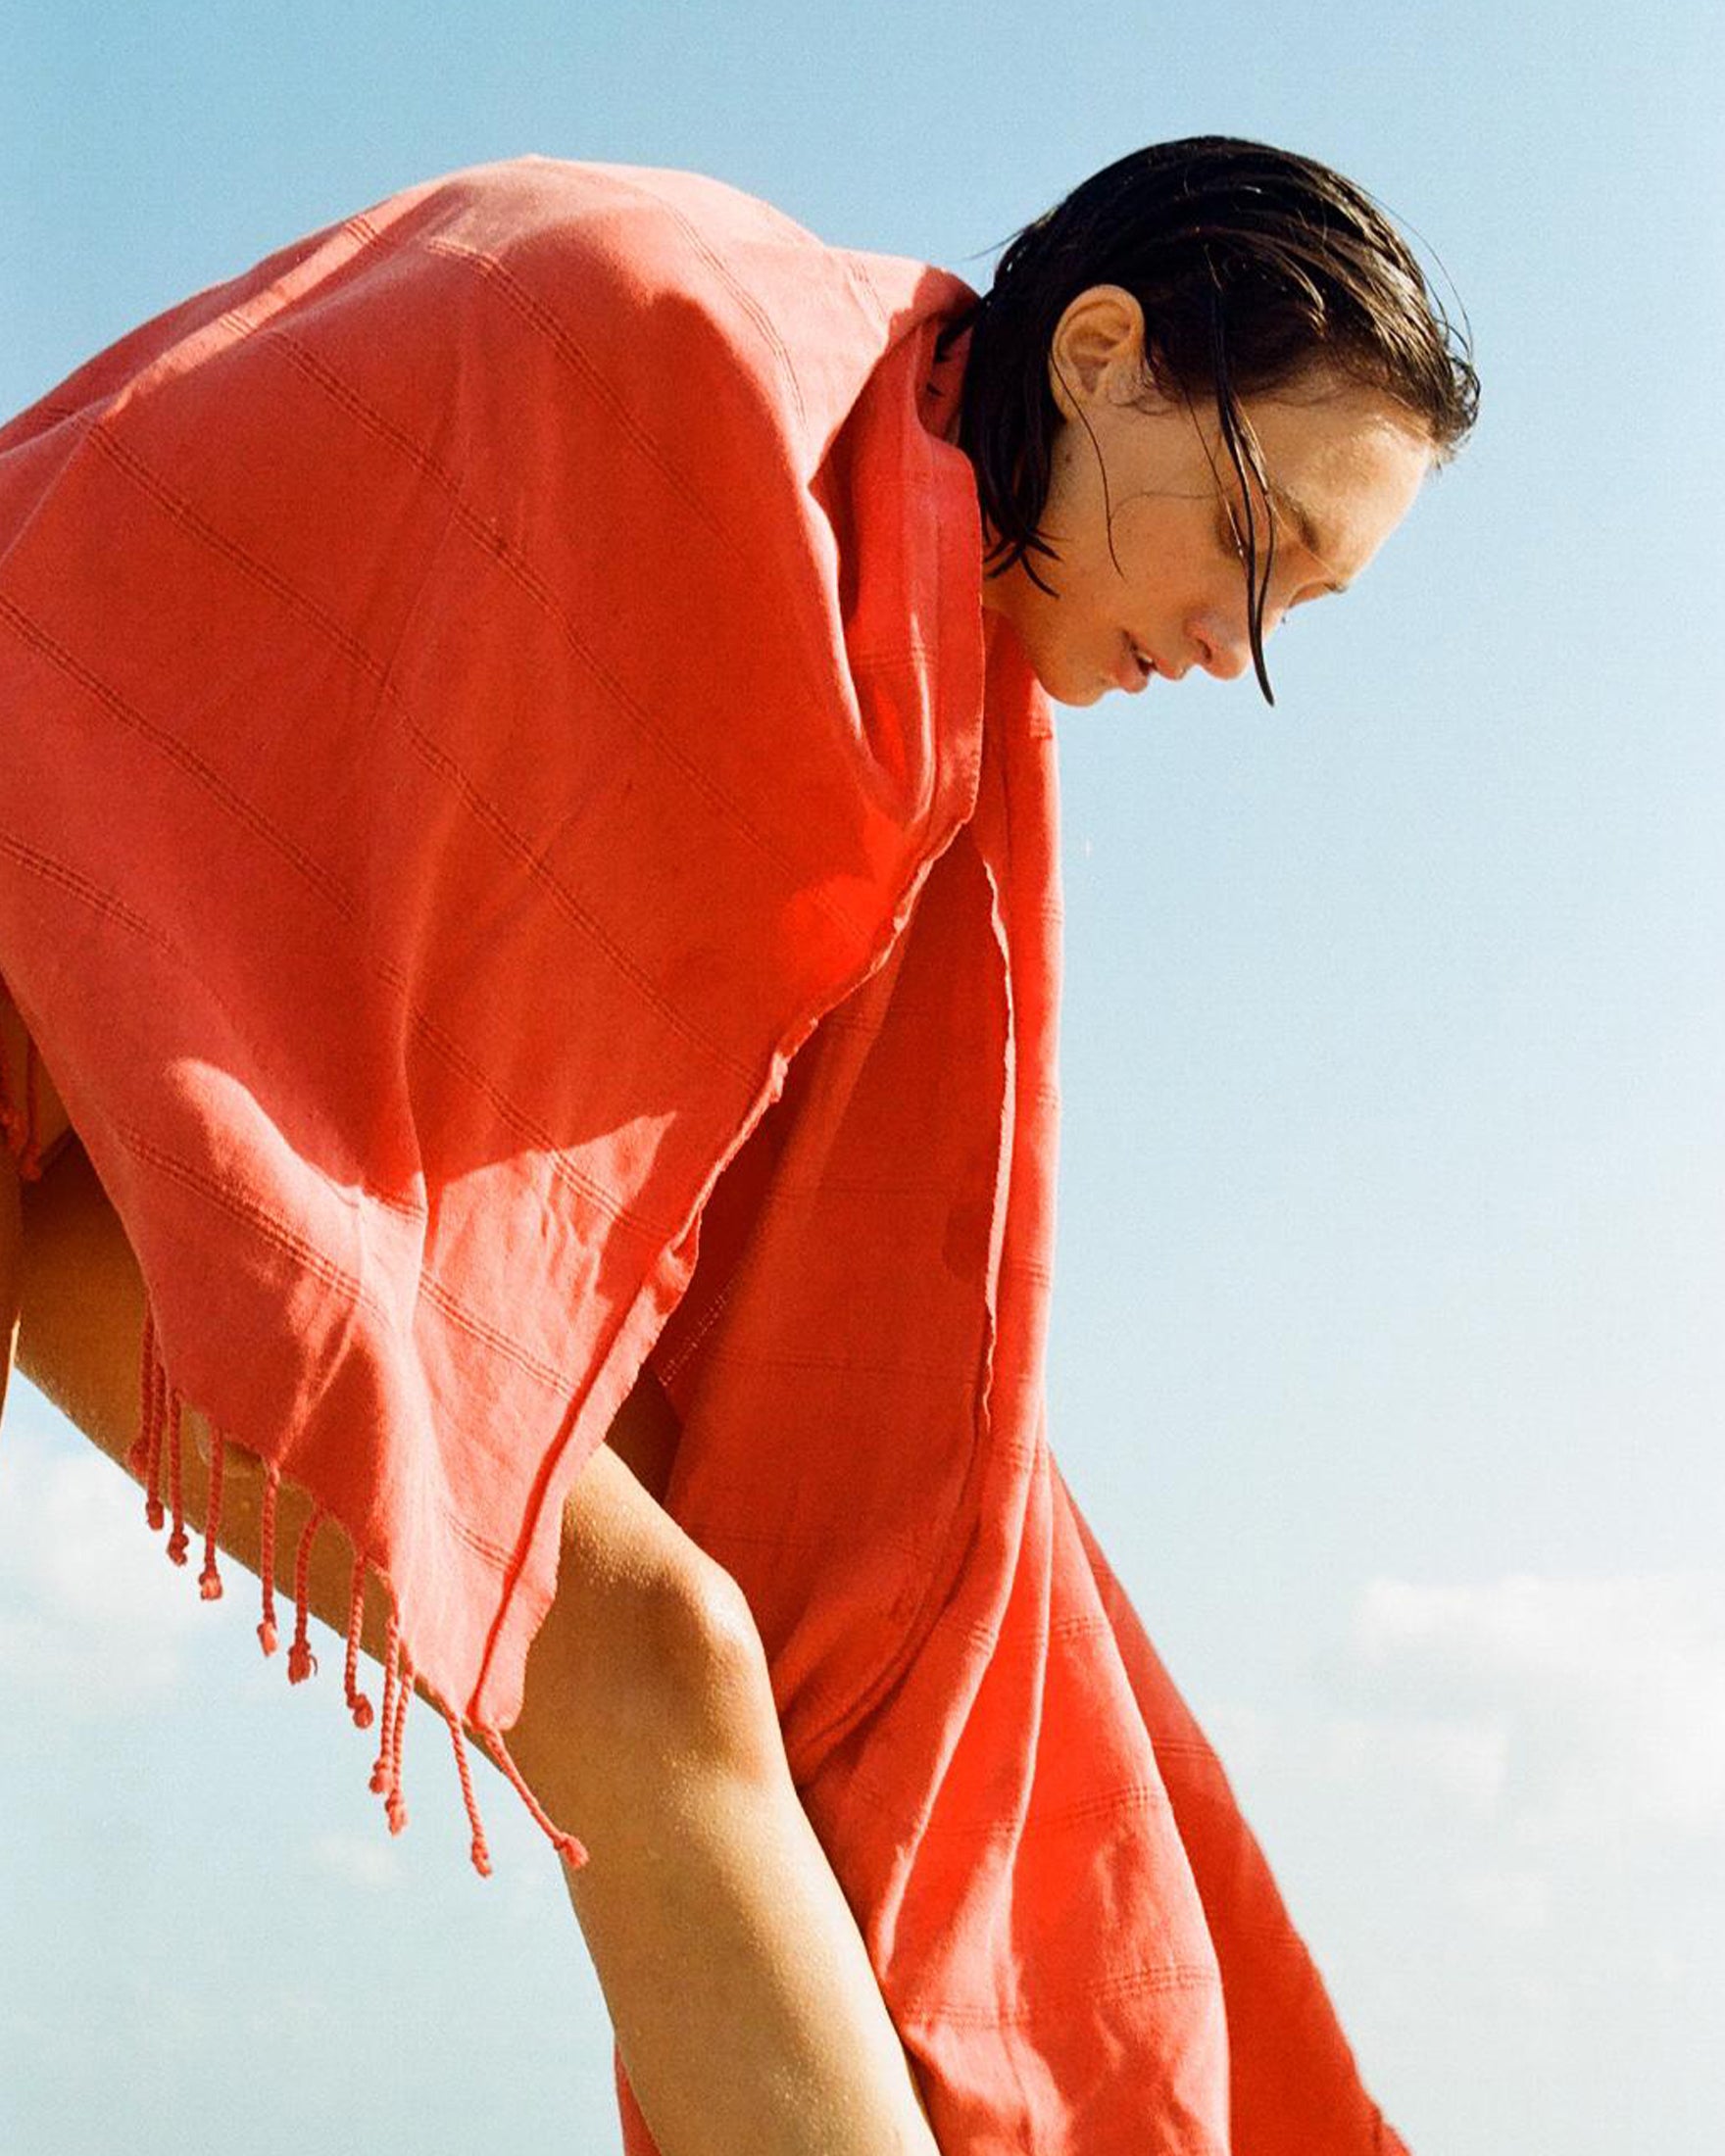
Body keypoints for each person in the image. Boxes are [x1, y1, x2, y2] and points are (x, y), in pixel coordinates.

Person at [0, 136, 1475, 2156]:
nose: (1238, 639)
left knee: (667, 1664)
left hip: (197, 1069)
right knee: (657, 1671)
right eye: (1249, 534)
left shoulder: (916, 649)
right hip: (73, 942)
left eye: (1300, 605)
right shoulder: (686, 350)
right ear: (1102, 354)